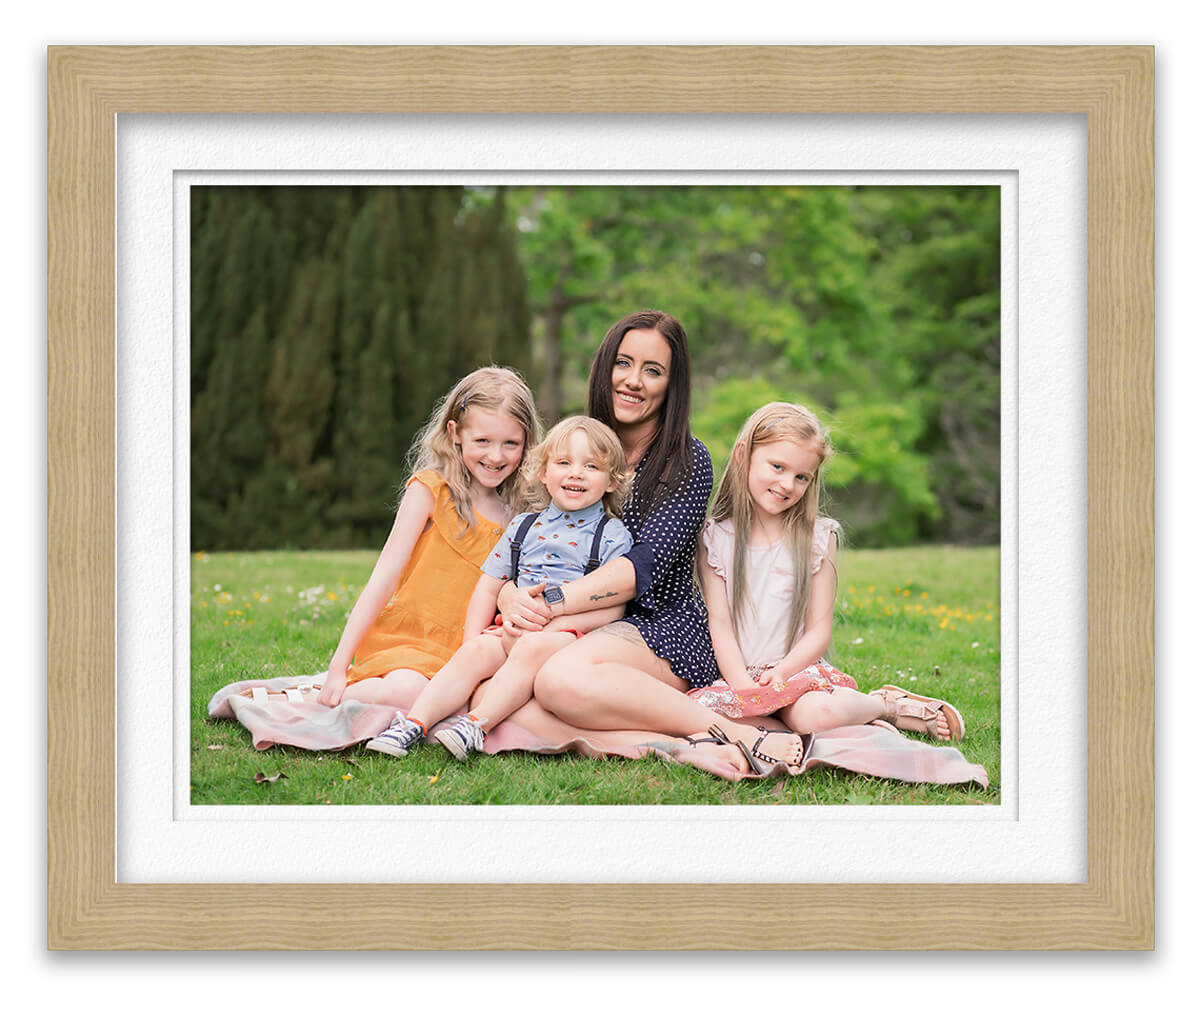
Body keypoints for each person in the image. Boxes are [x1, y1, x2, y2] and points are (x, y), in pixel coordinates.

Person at [497, 310, 814, 775]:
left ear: (672, 384)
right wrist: (508, 594)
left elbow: (639, 570)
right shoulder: (575, 449)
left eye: (653, 370)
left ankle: (734, 732)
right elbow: (524, 539)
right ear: (605, 368)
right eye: (623, 363)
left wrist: (550, 605)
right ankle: (676, 747)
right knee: (501, 693)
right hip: (574, 621)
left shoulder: (687, 461)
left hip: (658, 625)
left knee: (558, 683)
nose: (633, 381)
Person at [220, 366, 542, 715]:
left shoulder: (521, 514)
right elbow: (383, 579)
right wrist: (337, 667)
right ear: (455, 433)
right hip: (410, 641)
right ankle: (308, 697)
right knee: (409, 692)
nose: (496, 456)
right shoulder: (430, 491)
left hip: (469, 650)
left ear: (527, 443)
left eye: (511, 443)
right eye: (483, 441)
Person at [689, 402, 964, 747]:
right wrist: (742, 684)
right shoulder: (715, 538)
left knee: (815, 715)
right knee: (701, 717)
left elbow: (819, 629)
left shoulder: (817, 537)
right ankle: (856, 722)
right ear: (744, 454)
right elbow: (721, 623)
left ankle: (884, 705)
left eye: (801, 476)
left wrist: (784, 672)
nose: (787, 484)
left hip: (795, 675)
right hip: (739, 676)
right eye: (777, 466)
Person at [364, 416, 634, 759]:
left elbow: (614, 605)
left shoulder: (611, 535)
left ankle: (475, 725)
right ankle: (413, 723)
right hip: (511, 628)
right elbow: (488, 587)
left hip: (566, 638)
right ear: (543, 472)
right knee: (475, 653)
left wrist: (558, 626)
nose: (576, 473)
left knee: (531, 650)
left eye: (591, 466)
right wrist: (472, 640)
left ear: (612, 481)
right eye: (564, 463)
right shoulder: (523, 526)